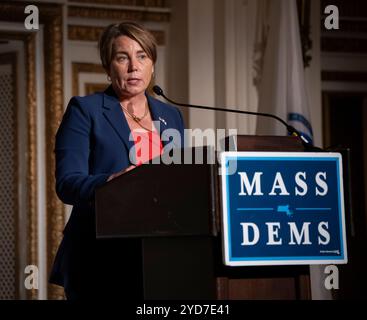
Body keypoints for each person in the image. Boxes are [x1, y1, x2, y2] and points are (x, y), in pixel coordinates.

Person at [49, 21, 185, 300]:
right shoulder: (85, 111)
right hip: (100, 258)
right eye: (122, 57)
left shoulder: (171, 116)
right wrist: (112, 182)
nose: (134, 66)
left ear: (152, 65)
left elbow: (178, 181)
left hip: (159, 255)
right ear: (108, 67)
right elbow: (67, 183)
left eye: (142, 56)